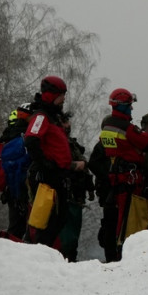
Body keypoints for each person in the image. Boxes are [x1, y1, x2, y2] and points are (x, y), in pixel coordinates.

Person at [23, 76, 83, 250]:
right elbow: (31, 140)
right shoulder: (42, 116)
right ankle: (38, 252)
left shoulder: (53, 117)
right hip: (47, 176)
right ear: (51, 95)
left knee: (59, 217)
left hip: (58, 176)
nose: (64, 99)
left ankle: (44, 252)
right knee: (45, 220)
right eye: (61, 95)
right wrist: (45, 164)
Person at [100, 88, 148, 261]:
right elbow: (147, 143)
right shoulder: (126, 127)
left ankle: (115, 253)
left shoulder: (107, 125)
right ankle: (123, 254)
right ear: (123, 106)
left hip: (114, 177)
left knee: (115, 219)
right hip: (128, 178)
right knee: (127, 219)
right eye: (130, 105)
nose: (132, 109)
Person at [58, 112, 94, 262]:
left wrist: (90, 187)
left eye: (68, 121)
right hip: (66, 195)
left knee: (73, 237)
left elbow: (85, 168)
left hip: (77, 196)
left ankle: (70, 260)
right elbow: (59, 165)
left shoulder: (72, 143)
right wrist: (75, 166)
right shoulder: (59, 143)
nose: (68, 125)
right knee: (65, 237)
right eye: (64, 122)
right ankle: (64, 261)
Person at [0, 104, 34, 241]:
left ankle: (10, 250)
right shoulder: (27, 136)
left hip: (11, 188)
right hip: (24, 186)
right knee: (28, 225)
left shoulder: (7, 136)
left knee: (15, 224)